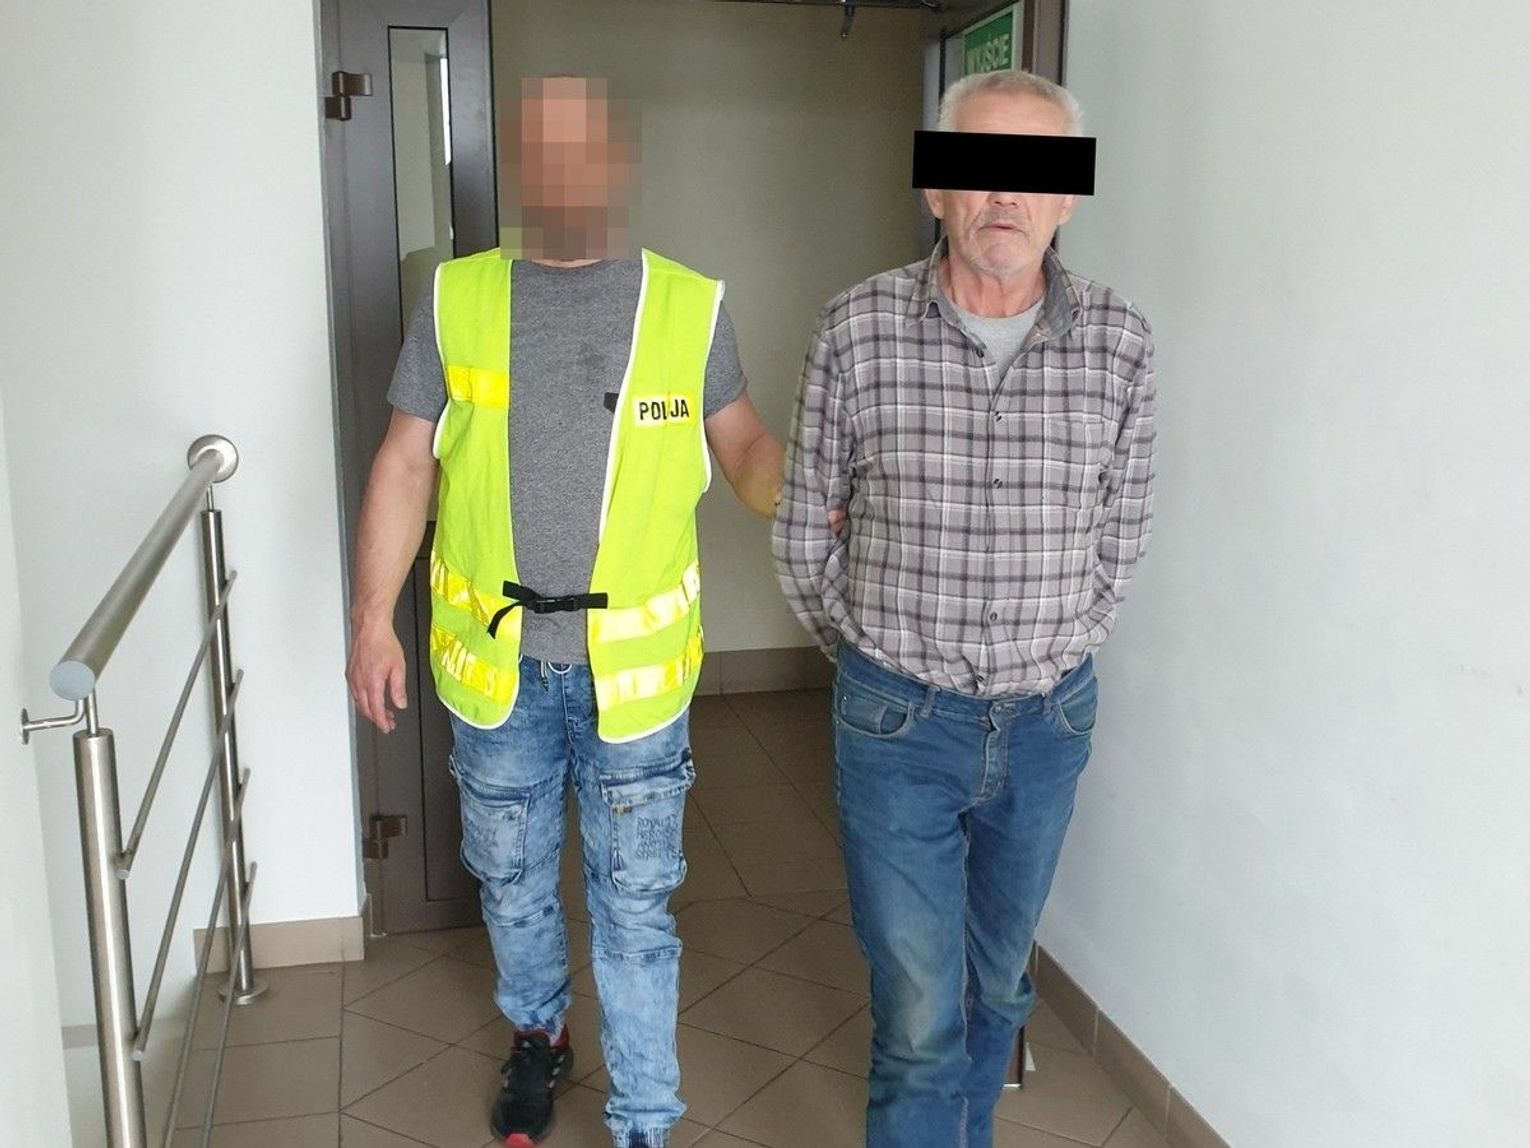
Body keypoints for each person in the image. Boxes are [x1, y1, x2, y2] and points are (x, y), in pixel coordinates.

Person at [346, 76, 783, 1148]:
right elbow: (405, 460)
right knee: (511, 883)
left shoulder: (689, 304)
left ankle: (643, 1119)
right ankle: (539, 1035)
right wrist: (369, 618)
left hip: (634, 678)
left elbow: (743, 450)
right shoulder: (455, 298)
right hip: (499, 668)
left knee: (634, 907)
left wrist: (821, 485)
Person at [772, 69, 1157, 1148]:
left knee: (998, 988)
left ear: (1067, 196)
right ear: (937, 188)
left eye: (1034, 172)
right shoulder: (857, 329)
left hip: (1047, 724)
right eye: (979, 167)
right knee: (918, 1013)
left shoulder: (1121, 342)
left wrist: (1060, 647)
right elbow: (804, 536)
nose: (1004, 195)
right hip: (898, 723)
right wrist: (875, 660)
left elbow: (1121, 538)